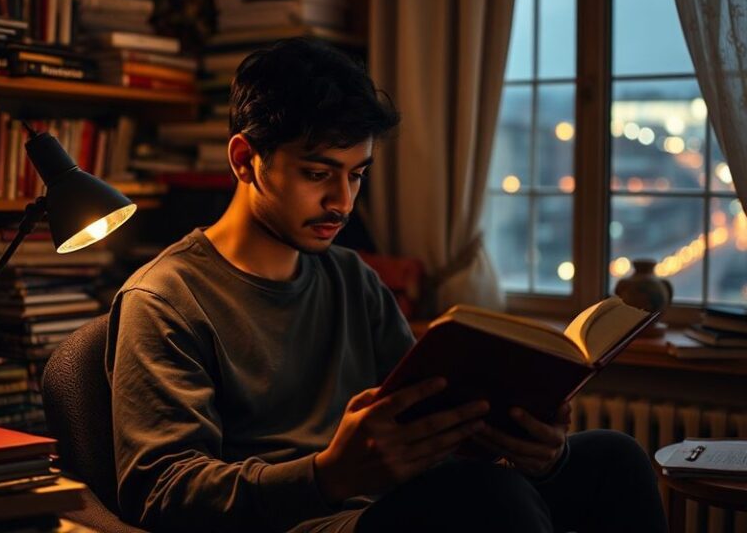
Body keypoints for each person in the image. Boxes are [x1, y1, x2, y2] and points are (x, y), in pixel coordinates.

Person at [106, 37, 667, 532]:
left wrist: (526, 443)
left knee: (612, 459)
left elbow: (427, 420)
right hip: (304, 519)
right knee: (488, 500)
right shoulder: (164, 300)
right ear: (245, 160)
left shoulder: (352, 277)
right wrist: (327, 474)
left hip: (391, 501)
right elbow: (162, 494)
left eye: (357, 175)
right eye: (318, 173)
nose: (342, 202)